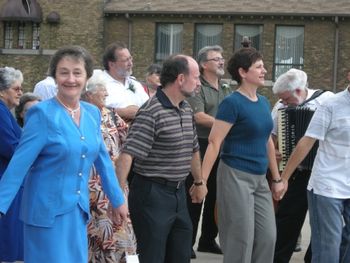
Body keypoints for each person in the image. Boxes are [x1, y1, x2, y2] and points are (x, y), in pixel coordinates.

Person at [0, 46, 128, 263]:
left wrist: (117, 199)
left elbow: (103, 161)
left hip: (77, 212)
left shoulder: (92, 113)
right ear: (55, 77)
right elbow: (18, 165)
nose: (71, 79)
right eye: (64, 72)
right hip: (44, 215)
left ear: (87, 76)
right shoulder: (41, 114)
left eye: (77, 72)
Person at [115, 54, 208, 263]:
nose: (199, 83)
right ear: (181, 79)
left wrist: (199, 181)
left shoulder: (185, 109)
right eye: (196, 77)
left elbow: (193, 149)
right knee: (152, 257)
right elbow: (127, 155)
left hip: (178, 193)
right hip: (151, 194)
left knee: (181, 255)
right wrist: (117, 197)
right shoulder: (151, 111)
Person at [201, 47, 284, 263]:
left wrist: (276, 179)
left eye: (263, 66)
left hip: (260, 178)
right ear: (243, 72)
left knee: (268, 237)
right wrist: (201, 181)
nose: (264, 70)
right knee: (241, 239)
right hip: (235, 175)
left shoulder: (264, 102)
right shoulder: (232, 102)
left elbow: (267, 140)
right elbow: (214, 141)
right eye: (258, 67)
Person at [280, 87, 350, 263]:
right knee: (329, 244)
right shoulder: (331, 105)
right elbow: (307, 141)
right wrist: (285, 178)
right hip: (328, 185)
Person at [271, 68, 334, 263]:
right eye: (280, 99)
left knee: (322, 225)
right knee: (287, 220)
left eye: (286, 98)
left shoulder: (327, 99)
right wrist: (275, 152)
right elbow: (271, 136)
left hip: (323, 172)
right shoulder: (279, 108)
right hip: (297, 172)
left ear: (299, 91)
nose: (283, 103)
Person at [81, 73, 137, 262]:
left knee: (122, 229)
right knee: (92, 233)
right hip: (89, 185)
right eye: (101, 89)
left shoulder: (111, 114)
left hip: (113, 180)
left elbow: (130, 140)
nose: (106, 93)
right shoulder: (79, 114)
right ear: (88, 94)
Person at [186, 45, 231, 258]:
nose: (221, 62)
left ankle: (207, 239)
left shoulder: (225, 87)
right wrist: (225, 124)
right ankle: (188, 242)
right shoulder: (198, 87)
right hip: (201, 145)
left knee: (216, 195)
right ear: (204, 64)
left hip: (220, 145)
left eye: (222, 58)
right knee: (197, 194)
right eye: (216, 59)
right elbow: (199, 116)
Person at [0, 67, 24, 263]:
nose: (20, 93)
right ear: (2, 91)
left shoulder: (5, 112)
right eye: (16, 89)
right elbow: (12, 147)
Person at [101, 42, 149, 122]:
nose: (130, 63)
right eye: (125, 60)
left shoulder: (135, 84)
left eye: (130, 58)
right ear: (112, 64)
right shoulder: (99, 83)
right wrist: (122, 112)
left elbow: (148, 107)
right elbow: (92, 110)